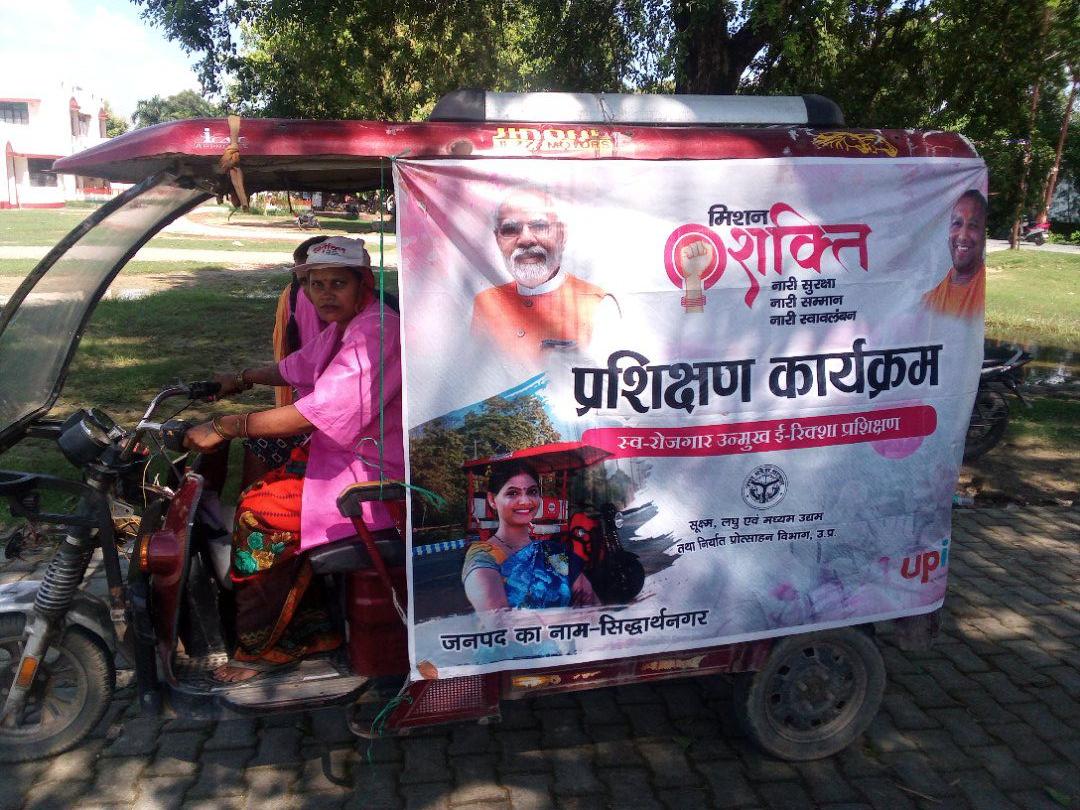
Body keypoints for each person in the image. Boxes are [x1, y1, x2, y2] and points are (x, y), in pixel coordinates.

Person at [185, 236, 404, 682]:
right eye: (315, 284)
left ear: (363, 283)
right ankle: (311, 623)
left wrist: (228, 425)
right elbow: (297, 366)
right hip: (343, 455)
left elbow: (314, 411)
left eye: (337, 283)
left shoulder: (376, 331)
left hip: (376, 471)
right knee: (260, 481)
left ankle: (267, 645)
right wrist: (241, 378)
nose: (325, 294)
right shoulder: (347, 325)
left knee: (257, 515)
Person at [470, 187, 616, 361]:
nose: (525, 239)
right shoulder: (486, 303)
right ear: (498, 239)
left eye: (539, 226)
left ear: (561, 234)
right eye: (510, 229)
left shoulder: (598, 304)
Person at [461, 462, 599, 611]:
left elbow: (593, 606)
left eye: (532, 492)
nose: (525, 501)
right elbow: (499, 620)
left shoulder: (553, 552)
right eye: (512, 493)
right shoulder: (483, 557)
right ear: (492, 500)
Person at [922, 190, 987, 319]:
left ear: (984, 236)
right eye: (957, 223)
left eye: (973, 225)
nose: (962, 236)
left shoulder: (986, 294)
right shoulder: (929, 301)